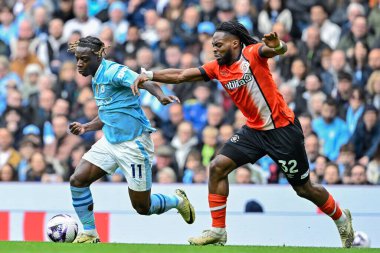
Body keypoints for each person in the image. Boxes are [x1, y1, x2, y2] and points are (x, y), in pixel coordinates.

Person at [132, 20, 354, 247]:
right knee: (217, 166)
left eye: (219, 44)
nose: (214, 49)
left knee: (303, 189)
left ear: (235, 43)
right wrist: (149, 75)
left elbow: (277, 50)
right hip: (254, 132)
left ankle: (341, 218)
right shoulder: (216, 68)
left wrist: (278, 45)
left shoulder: (252, 54)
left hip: (282, 131)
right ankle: (218, 231)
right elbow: (181, 74)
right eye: (213, 45)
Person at [67, 36, 195, 243]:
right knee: (78, 180)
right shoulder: (96, 76)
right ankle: (89, 233)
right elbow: (110, 111)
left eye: (84, 59)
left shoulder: (114, 71)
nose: (79, 64)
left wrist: (160, 96)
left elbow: (143, 80)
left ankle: (177, 201)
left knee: (142, 207)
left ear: (98, 56)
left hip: (134, 144)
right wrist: (86, 127)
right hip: (110, 141)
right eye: (77, 59)